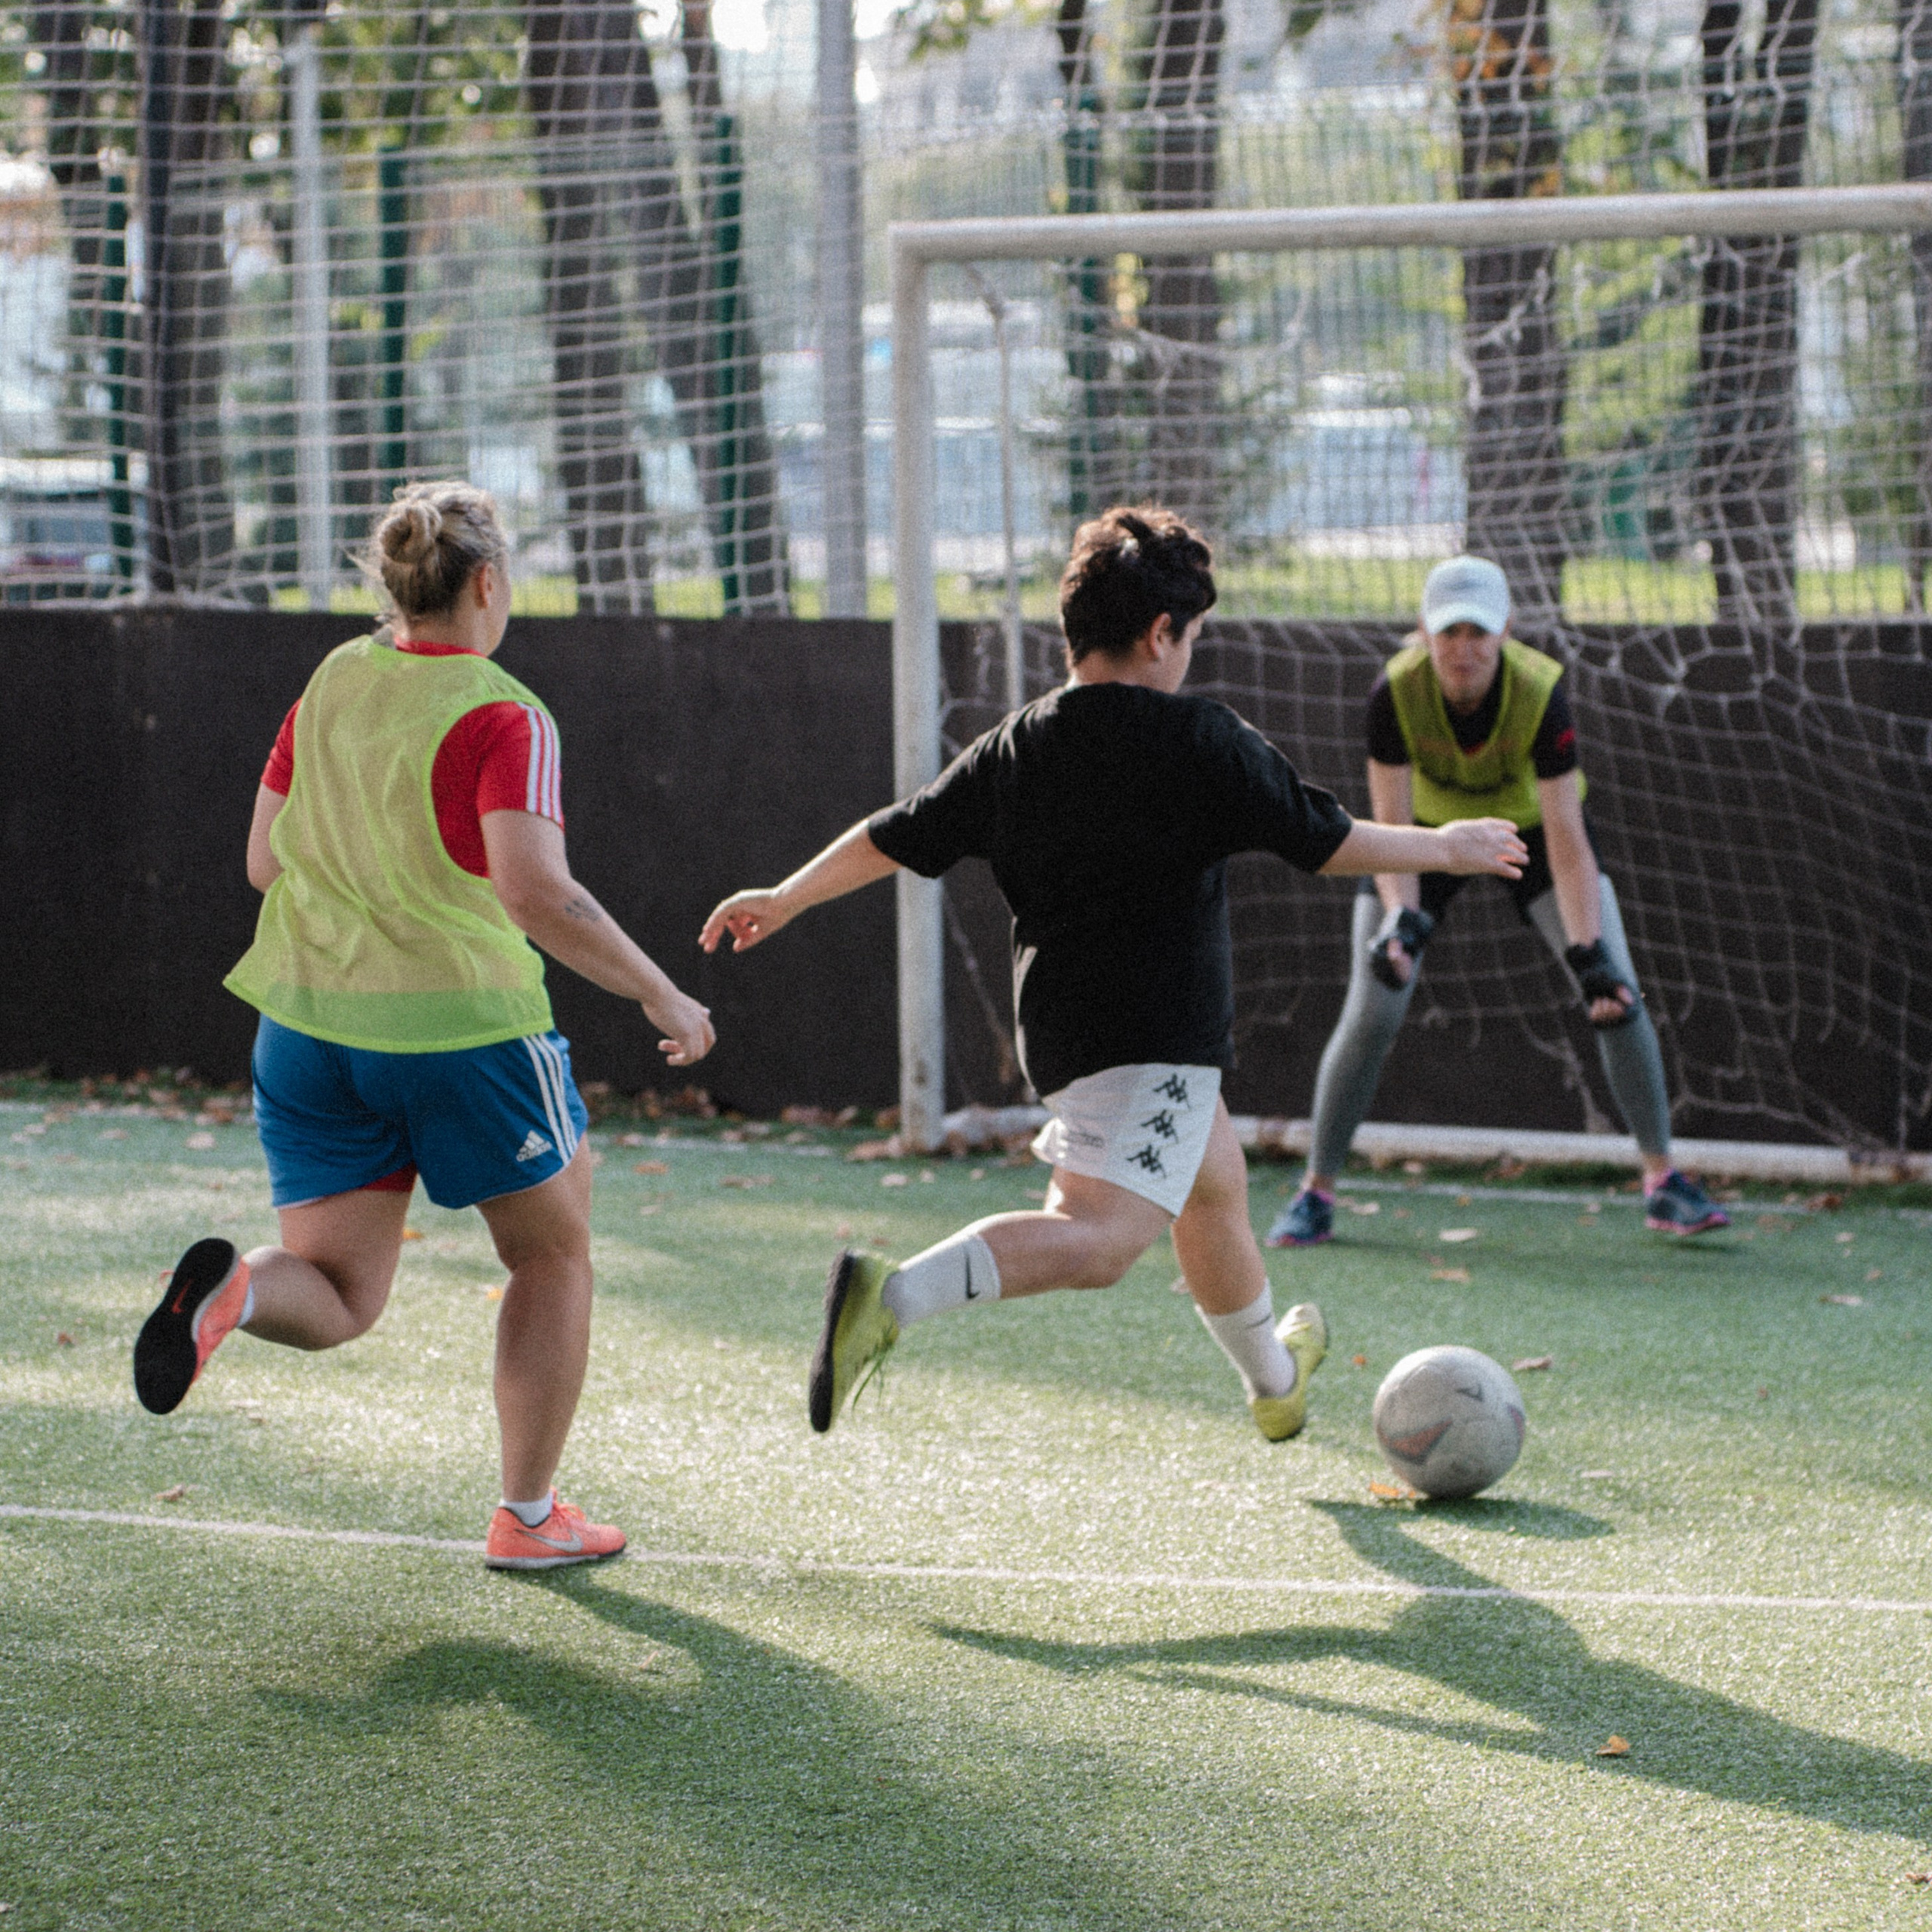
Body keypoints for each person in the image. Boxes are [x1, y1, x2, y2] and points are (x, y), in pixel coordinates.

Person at [699, 508, 1527, 1441]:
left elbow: (897, 833)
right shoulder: (1201, 738)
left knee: (1211, 1183)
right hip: (1155, 1041)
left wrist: (787, 895)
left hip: (1066, 1035)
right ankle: (889, 1297)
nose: (1189, 655)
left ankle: (1274, 1381)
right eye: (1191, 636)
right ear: (1159, 633)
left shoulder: (1017, 743)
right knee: (1097, 1244)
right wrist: (1445, 845)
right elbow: (1325, 841)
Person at [133, 481, 715, 1571]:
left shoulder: (332, 681)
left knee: (343, 1294)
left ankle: (237, 1290)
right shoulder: (505, 713)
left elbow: (263, 862)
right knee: (552, 1256)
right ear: (488, 582)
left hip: (309, 1030)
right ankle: (528, 1518)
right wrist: (660, 992)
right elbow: (538, 893)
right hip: (464, 1036)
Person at [1267, 554, 1728, 1249]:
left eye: (1478, 632)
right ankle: (1316, 1192)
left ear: (1506, 630)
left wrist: (1589, 954)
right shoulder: (1394, 691)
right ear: (1425, 631)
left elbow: (1567, 836)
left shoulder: (1542, 691)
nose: (1464, 648)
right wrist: (1401, 921)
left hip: (1531, 834)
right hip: (1429, 837)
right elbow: (1389, 821)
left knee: (1618, 993)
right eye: (1449, 632)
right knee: (1375, 1003)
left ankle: (1664, 1181)